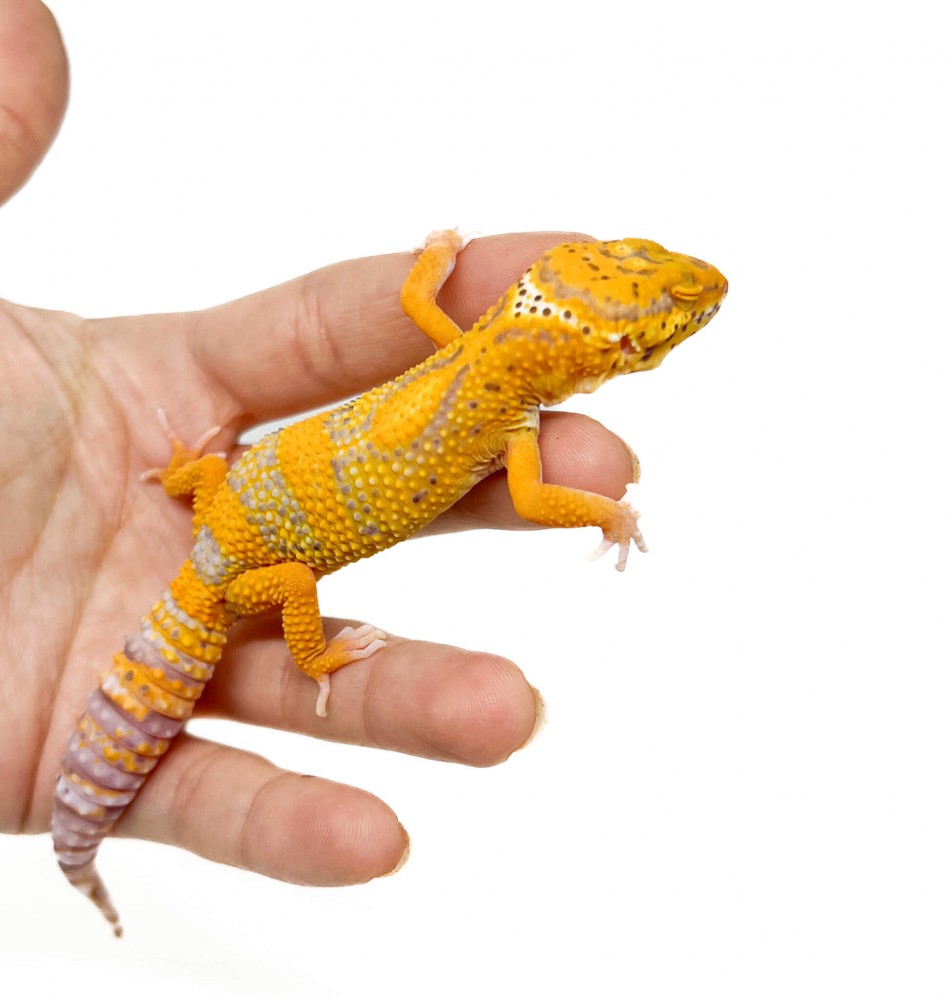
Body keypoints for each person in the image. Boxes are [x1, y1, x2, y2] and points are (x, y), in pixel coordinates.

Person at [0, 0, 636, 886]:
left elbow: (421, 302)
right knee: (293, 578)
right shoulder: (510, 417)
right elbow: (532, 500)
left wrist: (436, 258)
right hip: (237, 566)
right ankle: (105, 833)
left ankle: (182, 480)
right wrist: (607, 515)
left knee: (229, 494)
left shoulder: (476, 355)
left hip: (224, 505)